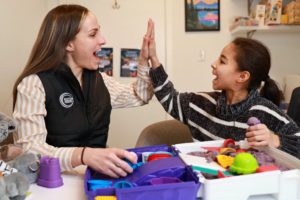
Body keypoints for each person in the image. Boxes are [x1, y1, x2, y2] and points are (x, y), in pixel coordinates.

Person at [12, 4, 155, 178]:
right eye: (93, 34)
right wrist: (83, 155)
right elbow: (30, 151)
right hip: (53, 184)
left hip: (93, 180)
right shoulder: (33, 85)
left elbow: (141, 95)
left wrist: (143, 60)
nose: (103, 40)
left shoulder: (100, 81)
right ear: (68, 43)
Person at [144, 21, 300, 159]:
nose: (214, 63)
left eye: (222, 61)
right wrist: (154, 59)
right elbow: (171, 99)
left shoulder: (266, 112)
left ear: (242, 76)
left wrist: (275, 140)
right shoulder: (202, 104)